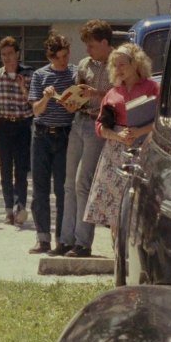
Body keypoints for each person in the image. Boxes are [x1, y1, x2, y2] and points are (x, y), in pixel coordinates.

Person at [50, 20, 115, 258]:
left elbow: (121, 95)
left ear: (105, 43)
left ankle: (83, 242)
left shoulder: (117, 64)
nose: (87, 50)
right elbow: (77, 91)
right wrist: (70, 100)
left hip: (98, 126)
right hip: (78, 122)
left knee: (82, 183)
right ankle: (65, 240)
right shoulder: (85, 65)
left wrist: (96, 93)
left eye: (92, 45)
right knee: (68, 184)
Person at [83, 43, 159, 244]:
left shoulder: (152, 88)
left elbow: (163, 120)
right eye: (115, 65)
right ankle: (118, 256)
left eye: (122, 64)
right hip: (115, 152)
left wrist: (139, 131)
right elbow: (100, 126)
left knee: (141, 206)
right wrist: (117, 136)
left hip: (144, 147)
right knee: (116, 207)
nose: (118, 69)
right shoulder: (112, 93)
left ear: (136, 64)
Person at [27, 33, 77, 254]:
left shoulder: (74, 74)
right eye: (59, 57)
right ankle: (43, 238)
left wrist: (69, 103)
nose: (64, 61)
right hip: (42, 136)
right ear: (51, 57)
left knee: (63, 189)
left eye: (66, 56)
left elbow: (77, 106)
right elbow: (35, 110)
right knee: (40, 188)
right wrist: (47, 98)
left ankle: (62, 238)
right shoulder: (40, 76)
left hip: (65, 136)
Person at [0, 36, 34, 226]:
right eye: (3, 55)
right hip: (3, 126)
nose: (7, 58)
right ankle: (8, 209)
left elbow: (35, 104)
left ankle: (20, 207)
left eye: (10, 54)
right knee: (5, 169)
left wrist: (22, 87)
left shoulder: (29, 76)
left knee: (21, 169)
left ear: (18, 54)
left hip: (23, 125)